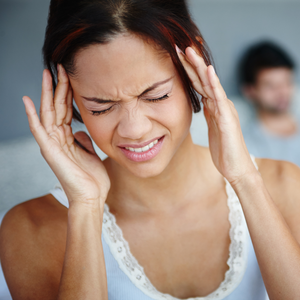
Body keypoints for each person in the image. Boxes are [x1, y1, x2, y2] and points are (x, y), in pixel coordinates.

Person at [1, 1, 300, 299]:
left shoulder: (286, 186)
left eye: (156, 96)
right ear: (69, 97)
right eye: (101, 107)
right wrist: (85, 209)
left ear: (192, 62)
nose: (134, 130)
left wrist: (245, 180)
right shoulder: (29, 230)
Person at [239, 41, 300, 166]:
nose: (282, 92)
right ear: (250, 91)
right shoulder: (245, 145)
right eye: (270, 86)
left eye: (286, 82)